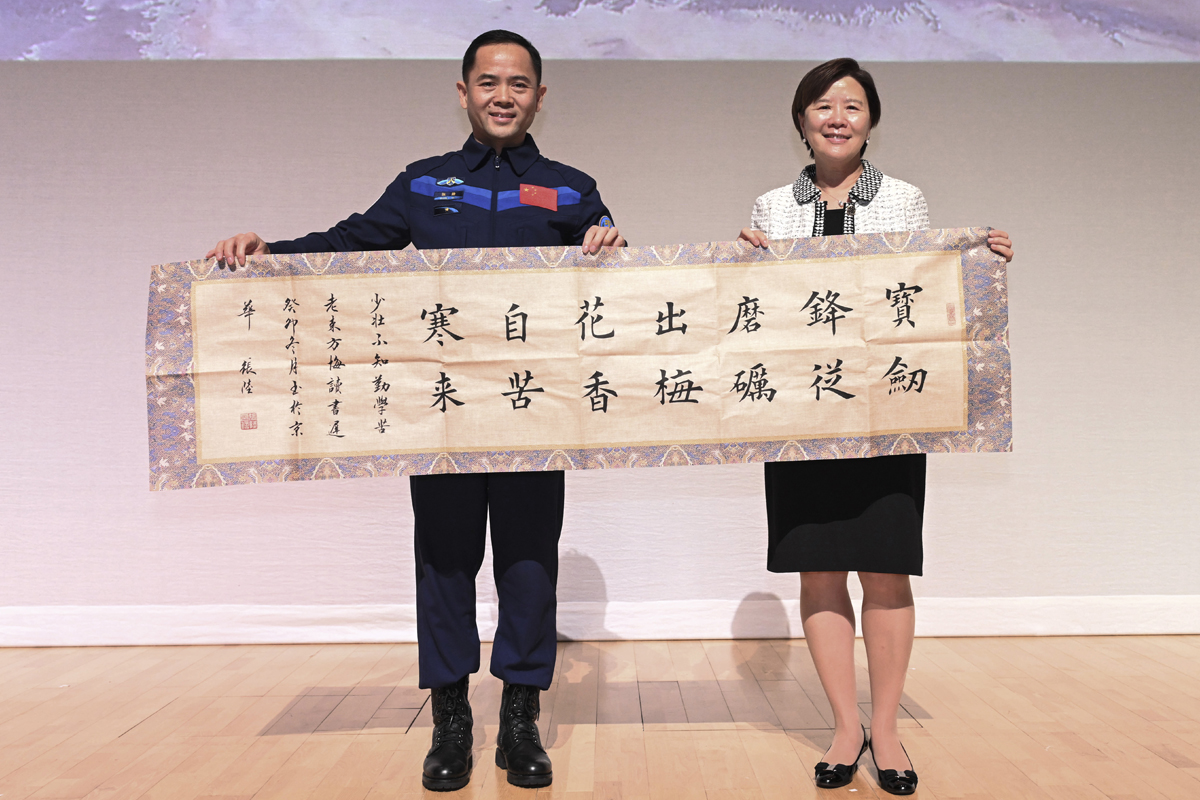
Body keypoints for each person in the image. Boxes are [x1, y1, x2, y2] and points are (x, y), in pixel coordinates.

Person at [207, 30, 624, 792]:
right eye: (489, 82)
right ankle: (452, 721)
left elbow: (615, 286)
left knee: (528, 564)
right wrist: (269, 252)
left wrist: (609, 245)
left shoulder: (571, 189)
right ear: (463, 92)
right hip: (440, 414)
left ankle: (522, 719)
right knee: (445, 563)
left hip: (535, 416)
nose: (504, 95)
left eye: (520, 83)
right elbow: (349, 245)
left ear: (540, 96)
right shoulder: (424, 183)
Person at [738, 58, 1012, 796]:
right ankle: (843, 726)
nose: (837, 117)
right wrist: (740, 268)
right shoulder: (769, 208)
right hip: (801, 415)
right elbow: (753, 316)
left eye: (852, 105)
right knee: (819, 568)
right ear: (800, 119)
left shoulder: (906, 199)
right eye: (822, 105)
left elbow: (920, 294)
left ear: (871, 120)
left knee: (885, 570)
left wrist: (979, 262)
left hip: (888, 415)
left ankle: (885, 729)